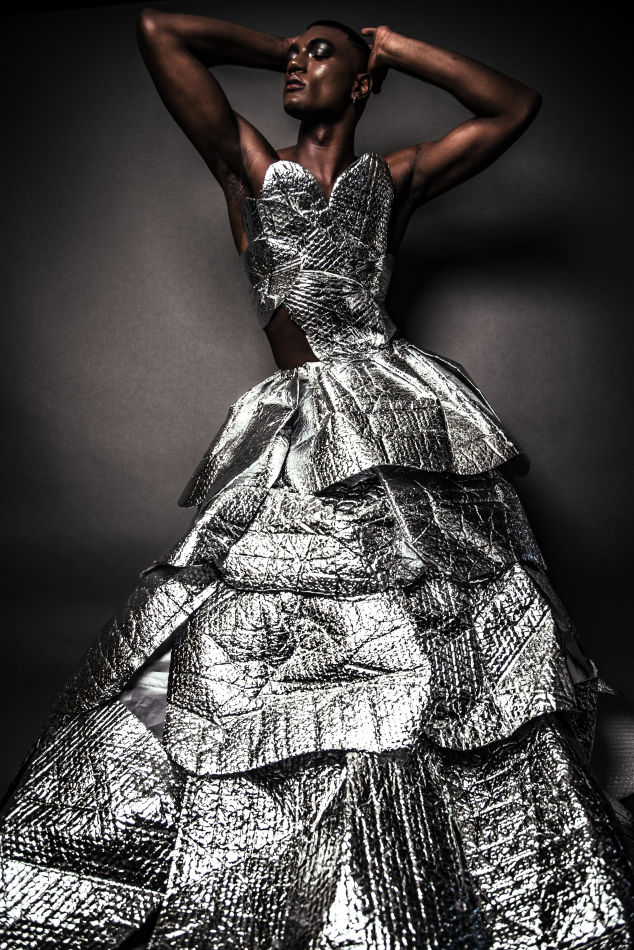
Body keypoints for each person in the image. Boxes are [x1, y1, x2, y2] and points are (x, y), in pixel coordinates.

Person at [0, 11, 632, 949]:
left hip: (397, 409)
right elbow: (160, 30)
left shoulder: (395, 177)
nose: (298, 65)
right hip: (302, 418)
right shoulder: (250, 167)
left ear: (362, 81)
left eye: (318, 54)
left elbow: (514, 106)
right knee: (259, 606)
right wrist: (281, 49)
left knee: (438, 612)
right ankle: (284, 805)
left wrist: (390, 47)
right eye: (292, 55)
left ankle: (430, 827)